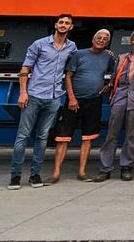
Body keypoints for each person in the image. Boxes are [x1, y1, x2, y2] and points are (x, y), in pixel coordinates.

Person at [8, 14, 76, 190]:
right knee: (22, 136)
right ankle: (15, 176)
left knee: (42, 137)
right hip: (35, 95)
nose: (63, 25)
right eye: (61, 22)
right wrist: (23, 93)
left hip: (54, 98)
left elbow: (79, 60)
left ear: (71, 27)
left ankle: (34, 175)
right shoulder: (39, 44)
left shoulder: (72, 47)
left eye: (67, 23)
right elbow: (25, 69)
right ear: (56, 24)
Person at [51, 28, 113, 184]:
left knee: (88, 137)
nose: (101, 40)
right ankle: (56, 172)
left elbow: (114, 73)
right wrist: (71, 98)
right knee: (63, 137)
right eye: (99, 37)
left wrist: (109, 84)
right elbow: (68, 76)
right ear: (93, 39)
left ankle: (82, 171)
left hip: (94, 101)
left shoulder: (108, 57)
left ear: (108, 42)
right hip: (75, 101)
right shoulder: (79, 54)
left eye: (105, 38)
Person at [95, 30, 134, 182]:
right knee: (111, 134)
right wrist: (107, 86)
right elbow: (114, 77)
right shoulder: (121, 58)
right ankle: (105, 168)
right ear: (131, 41)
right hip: (120, 97)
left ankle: (126, 166)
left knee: (131, 135)